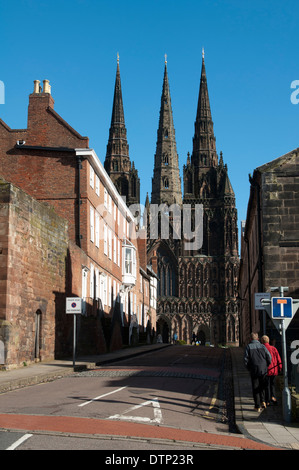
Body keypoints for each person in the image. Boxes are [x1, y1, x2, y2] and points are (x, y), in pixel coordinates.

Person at [244, 332, 272, 411]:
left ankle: (257, 406)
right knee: (262, 386)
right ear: (257, 339)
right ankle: (263, 401)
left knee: (255, 387)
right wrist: (267, 365)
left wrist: (249, 368)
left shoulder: (248, 347)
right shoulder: (262, 346)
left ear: (250, 339)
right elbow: (269, 357)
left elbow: (246, 360)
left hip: (254, 370)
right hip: (263, 369)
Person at [261, 335, 282, 405]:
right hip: (273, 370)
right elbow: (279, 359)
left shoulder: (261, 349)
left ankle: (267, 401)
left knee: (266, 386)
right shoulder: (273, 348)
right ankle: (273, 397)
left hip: (265, 370)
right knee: (272, 385)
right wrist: (280, 368)